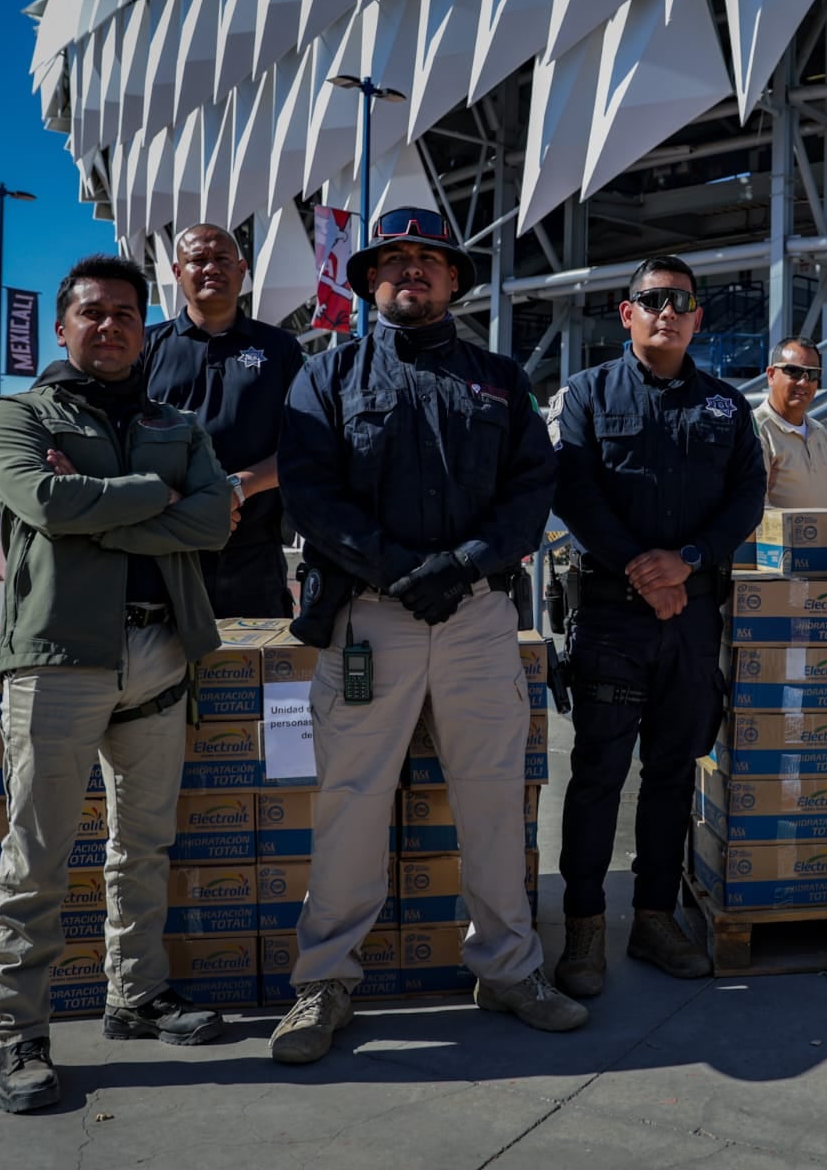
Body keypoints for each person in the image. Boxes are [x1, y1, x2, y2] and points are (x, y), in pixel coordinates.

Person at [269, 206, 585, 1063]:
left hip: (479, 615)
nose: (412, 271)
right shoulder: (325, 378)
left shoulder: (498, 379)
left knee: (491, 795)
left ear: (454, 280)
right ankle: (325, 980)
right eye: (394, 260)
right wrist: (400, 566)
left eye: (429, 260)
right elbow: (309, 488)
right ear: (369, 280)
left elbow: (533, 483)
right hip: (371, 614)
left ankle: (510, 967)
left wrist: (467, 561)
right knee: (351, 801)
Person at [0, 254, 233, 1114]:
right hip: (58, 658)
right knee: (37, 856)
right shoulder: (18, 413)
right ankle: (21, 1030)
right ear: (63, 327)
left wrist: (106, 512)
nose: (111, 326)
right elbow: (44, 503)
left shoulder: (178, 422)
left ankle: (138, 994)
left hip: (161, 651)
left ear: (143, 329)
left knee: (144, 844)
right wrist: (149, 497)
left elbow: (214, 519)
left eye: (126, 313)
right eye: (92, 312)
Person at [551, 254, 766, 996]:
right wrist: (646, 570)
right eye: (652, 299)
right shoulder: (585, 395)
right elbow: (574, 492)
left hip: (693, 615)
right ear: (627, 312)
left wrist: (690, 561)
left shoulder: (726, 407)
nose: (667, 311)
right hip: (613, 614)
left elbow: (746, 498)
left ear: (698, 318)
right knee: (599, 774)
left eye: (681, 301)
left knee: (674, 772)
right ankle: (583, 928)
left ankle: (653, 916)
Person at [143, 223, 305, 617]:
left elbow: (305, 445)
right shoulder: (145, 347)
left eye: (222, 259)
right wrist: (177, 500)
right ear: (178, 272)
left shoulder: (280, 348)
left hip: (254, 555)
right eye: (197, 260)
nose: (211, 268)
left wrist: (235, 489)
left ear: (242, 269)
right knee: (160, 673)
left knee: (255, 673)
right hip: (162, 550)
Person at [754, 336, 827, 508]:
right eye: (794, 371)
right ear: (771, 375)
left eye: (813, 374)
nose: (804, 382)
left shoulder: (821, 433)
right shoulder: (755, 430)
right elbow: (755, 508)